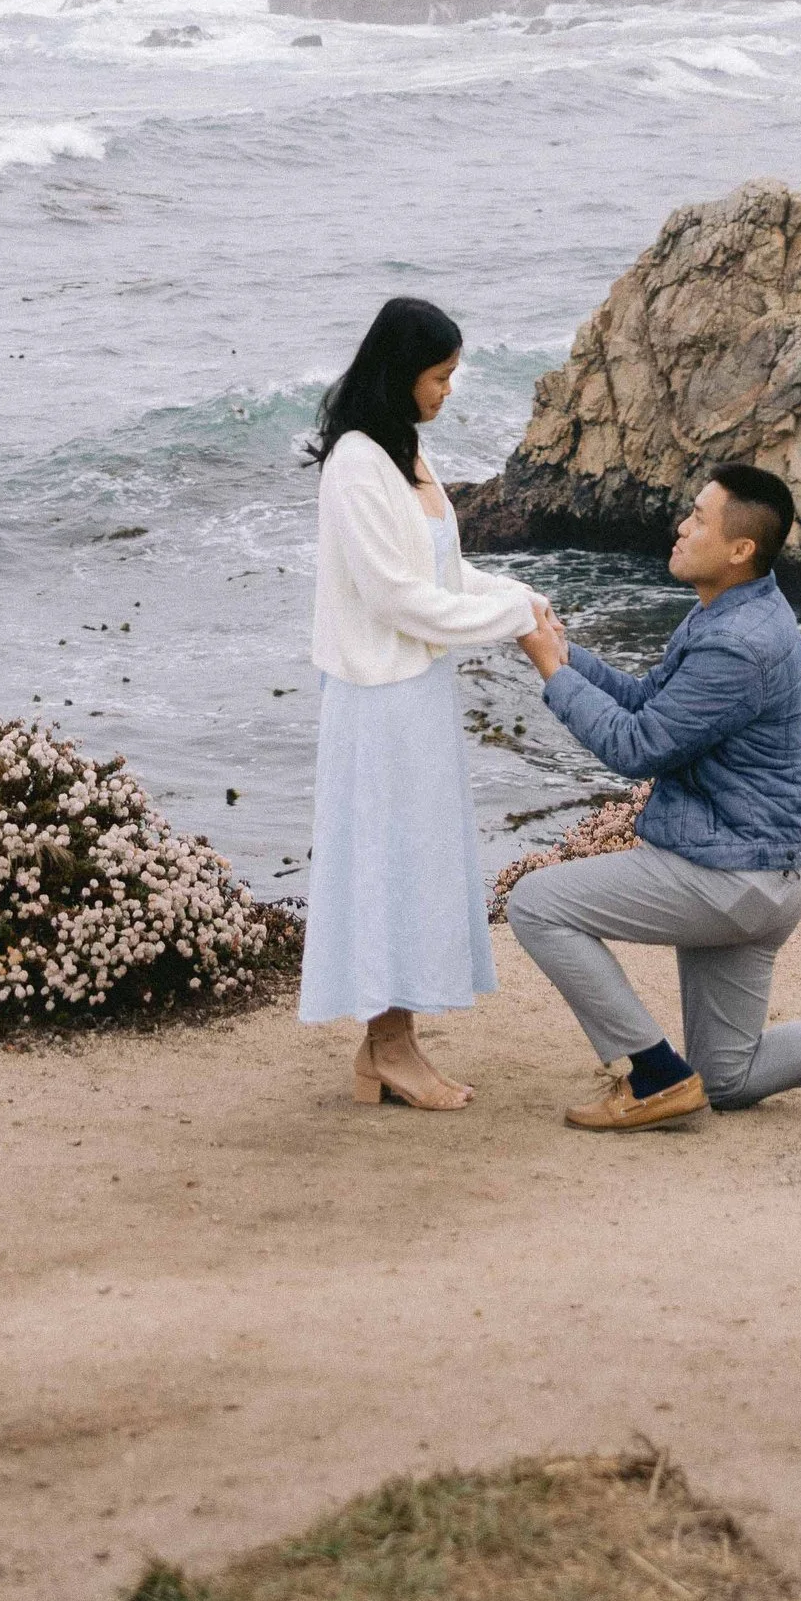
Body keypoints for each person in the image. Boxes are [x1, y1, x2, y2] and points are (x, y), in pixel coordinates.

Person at [507, 462, 801, 1130]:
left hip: (730, 876)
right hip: (758, 872)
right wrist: (569, 656)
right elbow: (653, 701)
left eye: (697, 517)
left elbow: (635, 748)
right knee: (727, 1077)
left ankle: (652, 1076)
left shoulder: (738, 644)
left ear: (741, 548)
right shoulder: (733, 610)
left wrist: (549, 671)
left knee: (536, 903)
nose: (681, 526)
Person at [298, 293, 541, 1110]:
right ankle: (388, 1047)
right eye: (439, 377)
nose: (446, 392)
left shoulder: (408, 455)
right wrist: (508, 618)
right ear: (400, 374)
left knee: (419, 862)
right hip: (377, 698)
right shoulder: (357, 464)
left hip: (419, 691)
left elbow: (444, 577)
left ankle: (387, 1050)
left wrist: (521, 598)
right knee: (386, 864)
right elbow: (396, 599)